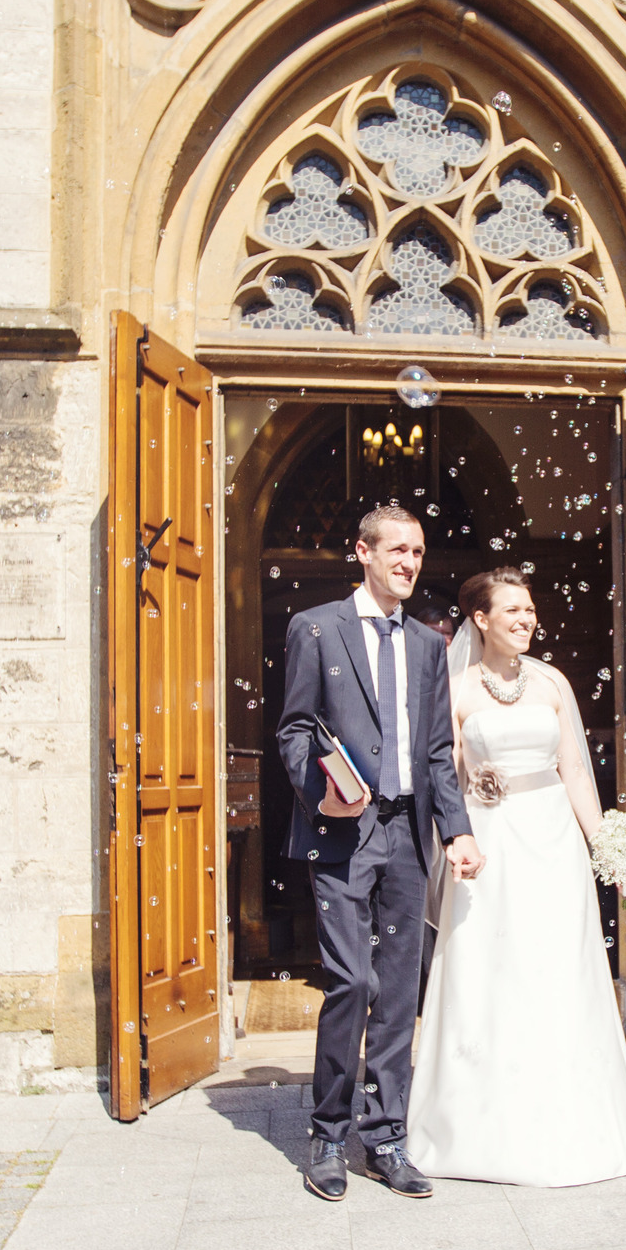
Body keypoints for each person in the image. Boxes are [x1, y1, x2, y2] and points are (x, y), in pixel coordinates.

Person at [404, 570, 626, 1186]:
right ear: (480, 619)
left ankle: (567, 1121)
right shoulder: (455, 688)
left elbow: (574, 771)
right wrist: (461, 813)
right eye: (511, 609)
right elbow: (441, 771)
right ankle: (478, 1127)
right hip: (488, 843)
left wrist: (607, 851)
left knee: (555, 968)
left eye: (530, 608)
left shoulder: (552, 682)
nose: (526, 618)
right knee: (489, 969)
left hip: (553, 841)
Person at [276, 503, 481, 1201]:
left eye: (417, 551)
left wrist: (456, 829)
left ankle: (386, 1136)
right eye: (396, 549)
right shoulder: (315, 627)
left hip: (406, 833)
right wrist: (320, 796)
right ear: (362, 552)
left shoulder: (426, 644)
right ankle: (329, 1133)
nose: (409, 562)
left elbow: (437, 751)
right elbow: (294, 730)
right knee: (352, 981)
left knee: (397, 987)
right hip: (343, 832)